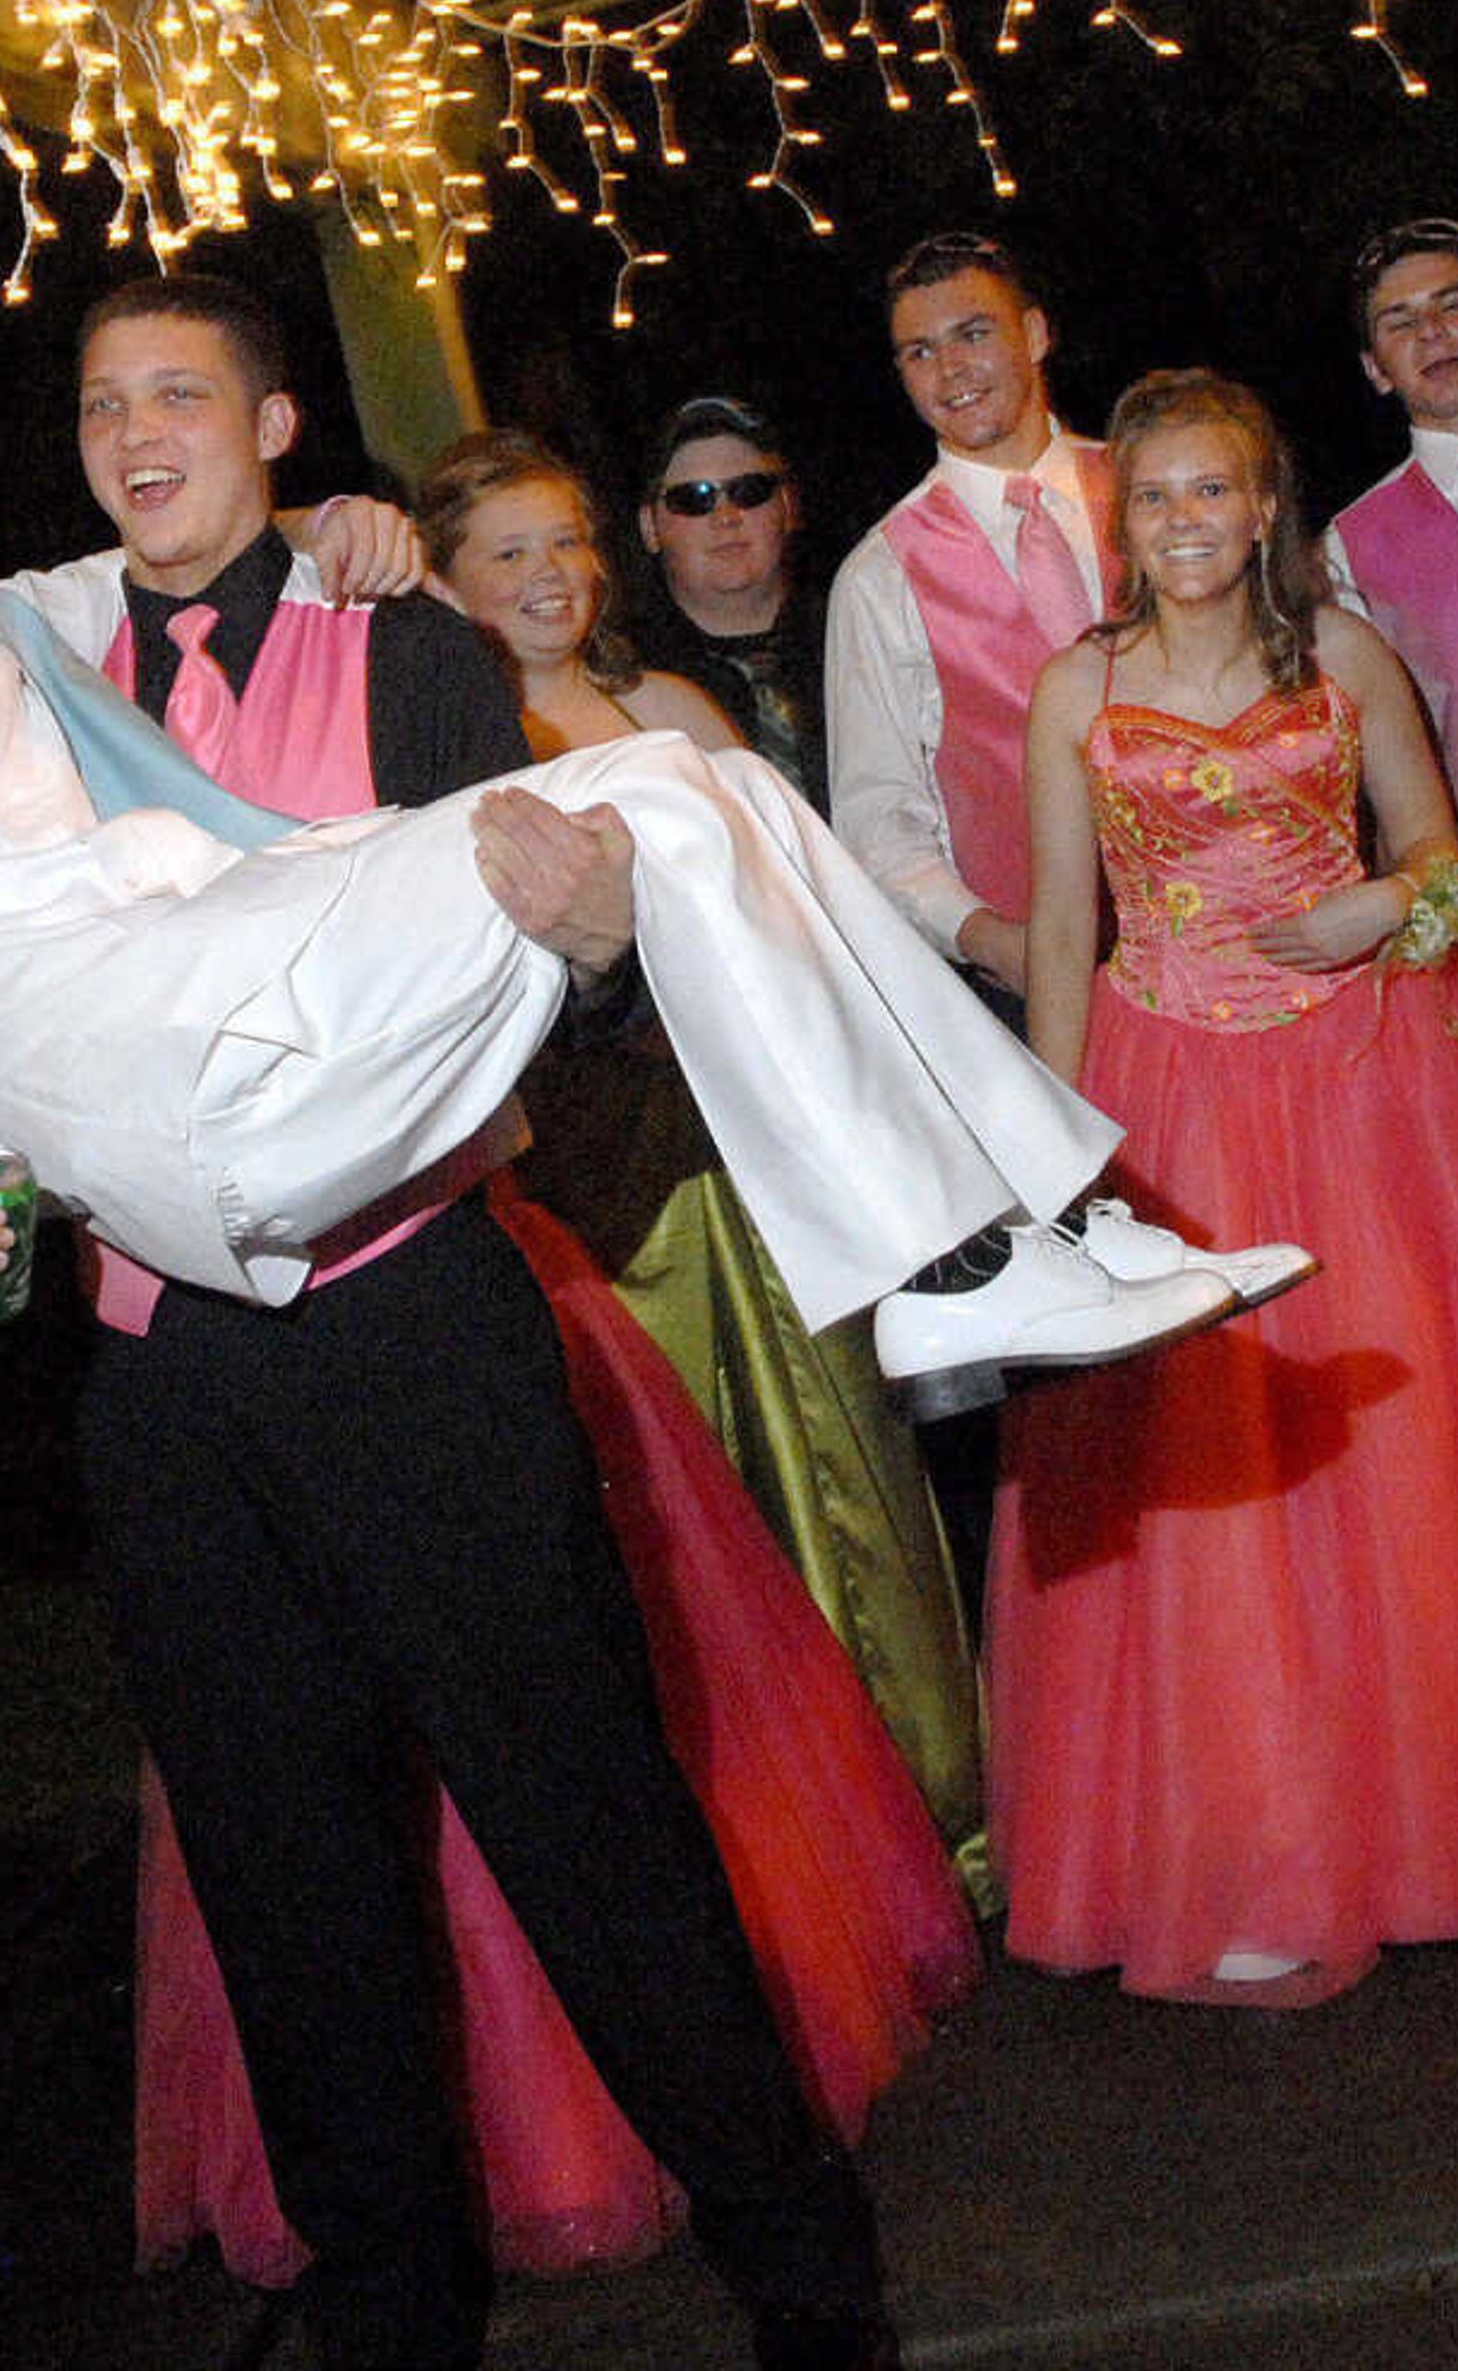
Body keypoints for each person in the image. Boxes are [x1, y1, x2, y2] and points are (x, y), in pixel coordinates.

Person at [0, 302, 1244, 2371]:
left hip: (397, 1273)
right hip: (162, 1309)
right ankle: (396, 2318)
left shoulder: (2, 631)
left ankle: (976, 1247)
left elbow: (230, 542)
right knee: (290, 1880)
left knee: (669, 796)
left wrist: (371, 538)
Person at [999, 369, 1458, 2001]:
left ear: (1263, 502)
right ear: (1118, 520)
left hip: (1366, 1081)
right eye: (1157, 498)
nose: (1187, 522)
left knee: (1401, 1463)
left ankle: (1434, 1821)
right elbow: (1065, 929)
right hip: (1169, 1085)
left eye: (1214, 490)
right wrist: (1064, 1161)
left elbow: (1436, 859)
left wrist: (1372, 910)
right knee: (1219, 1484)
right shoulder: (1078, 686)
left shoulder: (1341, 652)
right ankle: (1263, 1845)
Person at [417, 425, 994, 1899]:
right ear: (444, 578)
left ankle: (932, 1815)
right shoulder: (445, 746)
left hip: (751, 1126)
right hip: (584, 1164)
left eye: (565, 542)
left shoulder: (668, 701)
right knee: (676, 1497)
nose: (549, 576)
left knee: (846, 1451)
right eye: (508, 553)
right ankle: (768, 1848)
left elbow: (800, 910)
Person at [826, 231, 1115, 996]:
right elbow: (877, 814)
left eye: (973, 334)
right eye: (919, 352)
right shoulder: (879, 574)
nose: (949, 370)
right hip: (1037, 978)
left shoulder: (1157, 490)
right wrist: (989, 940)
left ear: (1035, 334)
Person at [1323, 217, 1458, 875]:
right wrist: (1445, 872)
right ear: (1376, 369)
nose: (1431, 333)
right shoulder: (1348, 545)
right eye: (1399, 321)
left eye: (1454, 304)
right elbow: (1370, 761)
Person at [629, 394, 834, 807]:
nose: (726, 516)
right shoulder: (625, 681)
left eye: (749, 491)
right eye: (694, 498)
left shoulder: (858, 634)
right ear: (650, 527)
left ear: (788, 506)